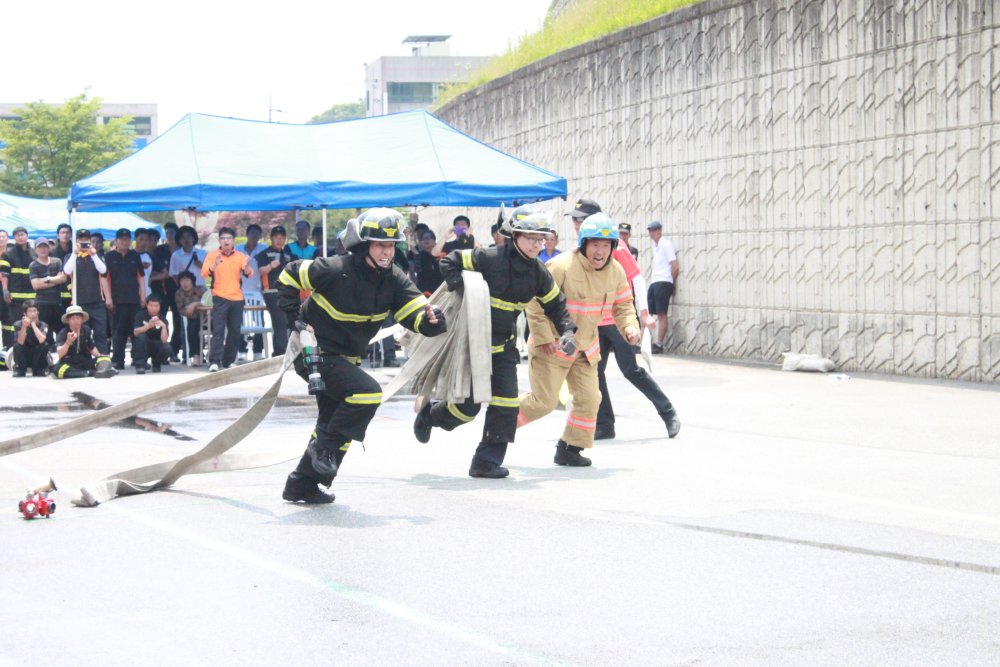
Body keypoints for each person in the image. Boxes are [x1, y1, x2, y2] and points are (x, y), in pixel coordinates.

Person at [276, 208, 447, 504]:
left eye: (391, 245)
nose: (387, 252)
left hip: (346, 359)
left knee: (336, 421)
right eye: (380, 244)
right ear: (363, 244)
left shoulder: (394, 279)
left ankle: (301, 484)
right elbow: (289, 274)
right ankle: (321, 449)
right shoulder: (334, 268)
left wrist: (432, 320)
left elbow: (416, 315)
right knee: (365, 395)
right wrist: (294, 320)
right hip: (313, 352)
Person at [414, 205, 577, 479]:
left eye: (541, 239)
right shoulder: (489, 257)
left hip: (503, 348)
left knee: (506, 405)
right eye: (530, 238)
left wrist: (568, 333)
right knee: (466, 410)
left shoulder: (538, 273)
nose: (537, 244)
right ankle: (430, 415)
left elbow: (556, 305)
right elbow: (449, 261)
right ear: (514, 236)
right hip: (471, 345)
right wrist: (461, 286)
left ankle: (485, 462)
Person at [516, 213, 640, 467]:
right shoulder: (560, 266)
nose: (600, 251)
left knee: (590, 399)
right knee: (543, 403)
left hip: (585, 348)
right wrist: (543, 338)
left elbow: (624, 305)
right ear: (583, 244)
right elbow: (535, 303)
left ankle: (570, 449)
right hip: (552, 345)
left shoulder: (616, 271)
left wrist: (630, 327)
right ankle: (500, 422)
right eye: (595, 244)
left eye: (606, 245)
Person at [202, 226, 253, 372]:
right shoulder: (212, 255)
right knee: (218, 330)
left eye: (229, 238)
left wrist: (247, 266)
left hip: (237, 298)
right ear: (219, 240)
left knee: (234, 331)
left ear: (233, 240)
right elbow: (204, 273)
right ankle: (214, 361)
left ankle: (229, 360)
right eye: (223, 238)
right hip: (220, 297)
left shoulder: (240, 256)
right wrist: (215, 264)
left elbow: (249, 274)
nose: (226, 241)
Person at [63, 229, 111, 355]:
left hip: (97, 302)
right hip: (79, 304)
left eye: (86, 240)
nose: (83, 242)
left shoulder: (97, 256)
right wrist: (75, 253)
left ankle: (104, 359)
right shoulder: (70, 257)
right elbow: (67, 271)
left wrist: (93, 255)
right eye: (80, 240)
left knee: (100, 333)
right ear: (76, 241)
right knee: (82, 333)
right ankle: (84, 359)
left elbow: (103, 270)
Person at [105, 228, 146, 370]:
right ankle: (118, 360)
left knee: (136, 331)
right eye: (122, 239)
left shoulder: (135, 256)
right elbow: (104, 279)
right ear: (116, 241)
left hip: (134, 300)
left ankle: (138, 360)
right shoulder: (109, 256)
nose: (125, 242)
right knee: (118, 333)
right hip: (116, 301)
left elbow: (141, 277)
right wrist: (108, 299)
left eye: (127, 239)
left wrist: (143, 296)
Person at [255, 225, 294, 357]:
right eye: (276, 237)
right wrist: (270, 266)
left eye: (281, 238)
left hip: (287, 293)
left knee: (287, 323)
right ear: (271, 238)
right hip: (271, 292)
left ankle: (278, 353)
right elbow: (261, 271)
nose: (279, 240)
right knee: (280, 322)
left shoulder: (287, 254)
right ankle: (283, 354)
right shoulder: (264, 254)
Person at [236, 223, 268, 360]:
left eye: (257, 232)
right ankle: (241, 350)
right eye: (251, 232)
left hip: (257, 291)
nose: (254, 235)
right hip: (239, 291)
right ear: (247, 234)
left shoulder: (264, 248)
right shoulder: (238, 249)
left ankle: (258, 350)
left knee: (259, 321)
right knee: (239, 321)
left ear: (260, 235)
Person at [646, 221, 678, 353]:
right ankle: (645, 342)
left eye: (654, 230)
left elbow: (674, 266)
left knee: (661, 313)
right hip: (655, 281)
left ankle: (659, 343)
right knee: (648, 312)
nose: (652, 232)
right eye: (650, 230)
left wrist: (671, 283)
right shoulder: (655, 245)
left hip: (664, 281)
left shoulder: (666, 244)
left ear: (660, 230)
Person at [52, 305, 109, 379]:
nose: (76, 321)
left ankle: (103, 371)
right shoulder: (63, 333)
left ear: (82, 319)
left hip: (85, 361)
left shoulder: (86, 330)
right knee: (58, 370)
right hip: (69, 362)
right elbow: (60, 354)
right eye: (72, 318)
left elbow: (91, 348)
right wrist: (68, 342)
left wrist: (99, 355)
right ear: (68, 320)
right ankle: (87, 373)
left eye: (78, 318)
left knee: (105, 359)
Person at [153, 223, 183, 357]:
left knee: (178, 321)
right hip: (162, 290)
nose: (169, 236)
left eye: (172, 233)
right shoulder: (159, 250)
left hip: (179, 290)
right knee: (162, 320)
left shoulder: (183, 250)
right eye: (167, 233)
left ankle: (174, 350)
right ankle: (161, 351)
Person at [28, 236, 67, 334]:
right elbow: (36, 285)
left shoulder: (57, 262)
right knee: (44, 332)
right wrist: (55, 279)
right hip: (41, 304)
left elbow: (63, 279)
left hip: (57, 303)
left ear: (49, 248)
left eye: (45, 246)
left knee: (61, 331)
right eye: (40, 247)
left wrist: (46, 279)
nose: (43, 249)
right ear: (35, 249)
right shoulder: (33, 265)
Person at [2, 226, 38, 331]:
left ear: (27, 236)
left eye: (22, 235)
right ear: (14, 238)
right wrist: (5, 290)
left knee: (32, 325)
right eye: (17, 235)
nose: (20, 237)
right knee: (17, 325)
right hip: (15, 297)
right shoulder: (8, 254)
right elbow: (4, 273)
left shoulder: (34, 253)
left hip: (32, 297)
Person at [132, 294, 172, 373]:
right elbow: (135, 332)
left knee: (167, 348)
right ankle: (141, 365)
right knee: (141, 337)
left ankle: (156, 364)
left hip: (156, 345)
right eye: (151, 306)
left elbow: (164, 340)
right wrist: (148, 326)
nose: (154, 308)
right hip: (143, 345)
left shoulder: (163, 319)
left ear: (160, 306)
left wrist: (163, 327)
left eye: (156, 306)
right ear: (147, 305)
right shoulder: (141, 315)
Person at [11, 299, 50, 377]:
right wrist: (24, 326)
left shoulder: (43, 325)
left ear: (38, 312)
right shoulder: (18, 324)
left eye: (34, 311)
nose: (32, 314)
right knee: (17, 346)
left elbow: (42, 340)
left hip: (37, 355)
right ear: (25, 313)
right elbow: (20, 342)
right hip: (25, 354)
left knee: (44, 345)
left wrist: (33, 324)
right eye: (30, 311)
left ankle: (38, 370)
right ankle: (20, 370)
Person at [174, 270, 206, 365]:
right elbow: (181, 309)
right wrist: (189, 308)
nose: (185, 283)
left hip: (207, 317)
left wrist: (195, 304)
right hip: (193, 318)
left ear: (192, 281)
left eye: (187, 280)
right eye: (182, 281)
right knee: (191, 329)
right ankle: (196, 355)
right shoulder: (179, 294)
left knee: (218, 327)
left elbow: (209, 302)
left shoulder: (201, 289)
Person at [408, 229, 443, 296]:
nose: (427, 240)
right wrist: (417, 255)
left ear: (434, 241)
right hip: (424, 290)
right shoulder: (419, 256)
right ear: (420, 242)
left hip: (440, 289)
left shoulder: (441, 254)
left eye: (429, 238)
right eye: (424, 238)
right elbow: (418, 271)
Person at [53, 223, 74, 310]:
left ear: (71, 235)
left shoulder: (75, 250)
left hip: (73, 292)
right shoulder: (52, 252)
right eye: (62, 232)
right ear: (58, 235)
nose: (65, 235)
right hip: (56, 291)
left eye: (67, 232)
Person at [0, 229, 11, 367]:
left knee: (8, 323)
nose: (1, 239)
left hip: (8, 289)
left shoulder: (10, 254)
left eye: (3, 237)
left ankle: (7, 353)